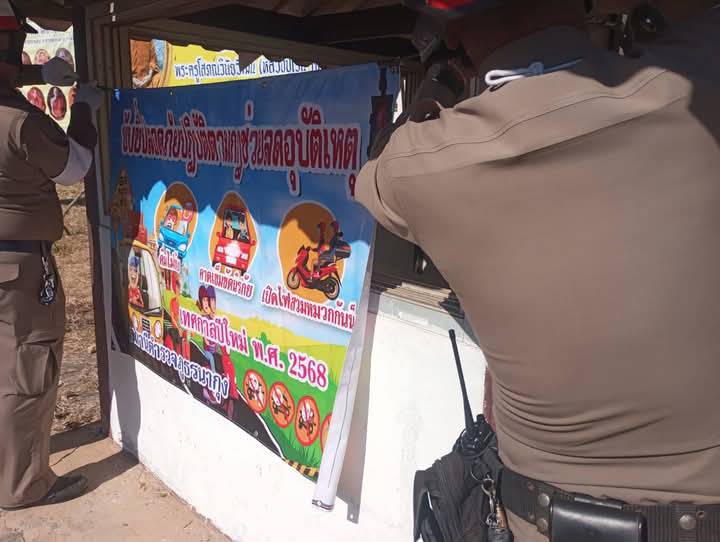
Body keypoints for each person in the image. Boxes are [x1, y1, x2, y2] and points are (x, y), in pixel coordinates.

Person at [356, 0, 720, 540]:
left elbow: (377, 165)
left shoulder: (419, 169)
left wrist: (443, 80)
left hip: (539, 522)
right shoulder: (697, 88)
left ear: (450, 32)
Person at [0, 0, 102, 510]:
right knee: (28, 368)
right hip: (17, 267)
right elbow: (75, 166)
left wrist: (42, 75)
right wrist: (84, 109)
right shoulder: (20, 121)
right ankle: (23, 485)